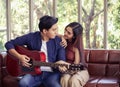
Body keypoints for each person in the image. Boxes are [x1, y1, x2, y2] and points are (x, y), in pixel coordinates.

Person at [5, 15, 68, 87]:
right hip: (33, 73)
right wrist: (19, 57)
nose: (56, 32)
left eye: (57, 29)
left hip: (51, 74)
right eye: (54, 30)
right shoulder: (31, 37)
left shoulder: (59, 41)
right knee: (23, 83)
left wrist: (60, 63)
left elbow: (62, 59)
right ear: (44, 31)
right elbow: (9, 44)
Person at [60, 22, 89, 87]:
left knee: (74, 80)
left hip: (79, 70)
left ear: (74, 36)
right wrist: (61, 36)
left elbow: (76, 65)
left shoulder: (76, 47)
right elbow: (53, 34)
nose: (65, 33)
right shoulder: (64, 41)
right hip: (68, 70)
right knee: (64, 79)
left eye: (69, 33)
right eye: (65, 30)